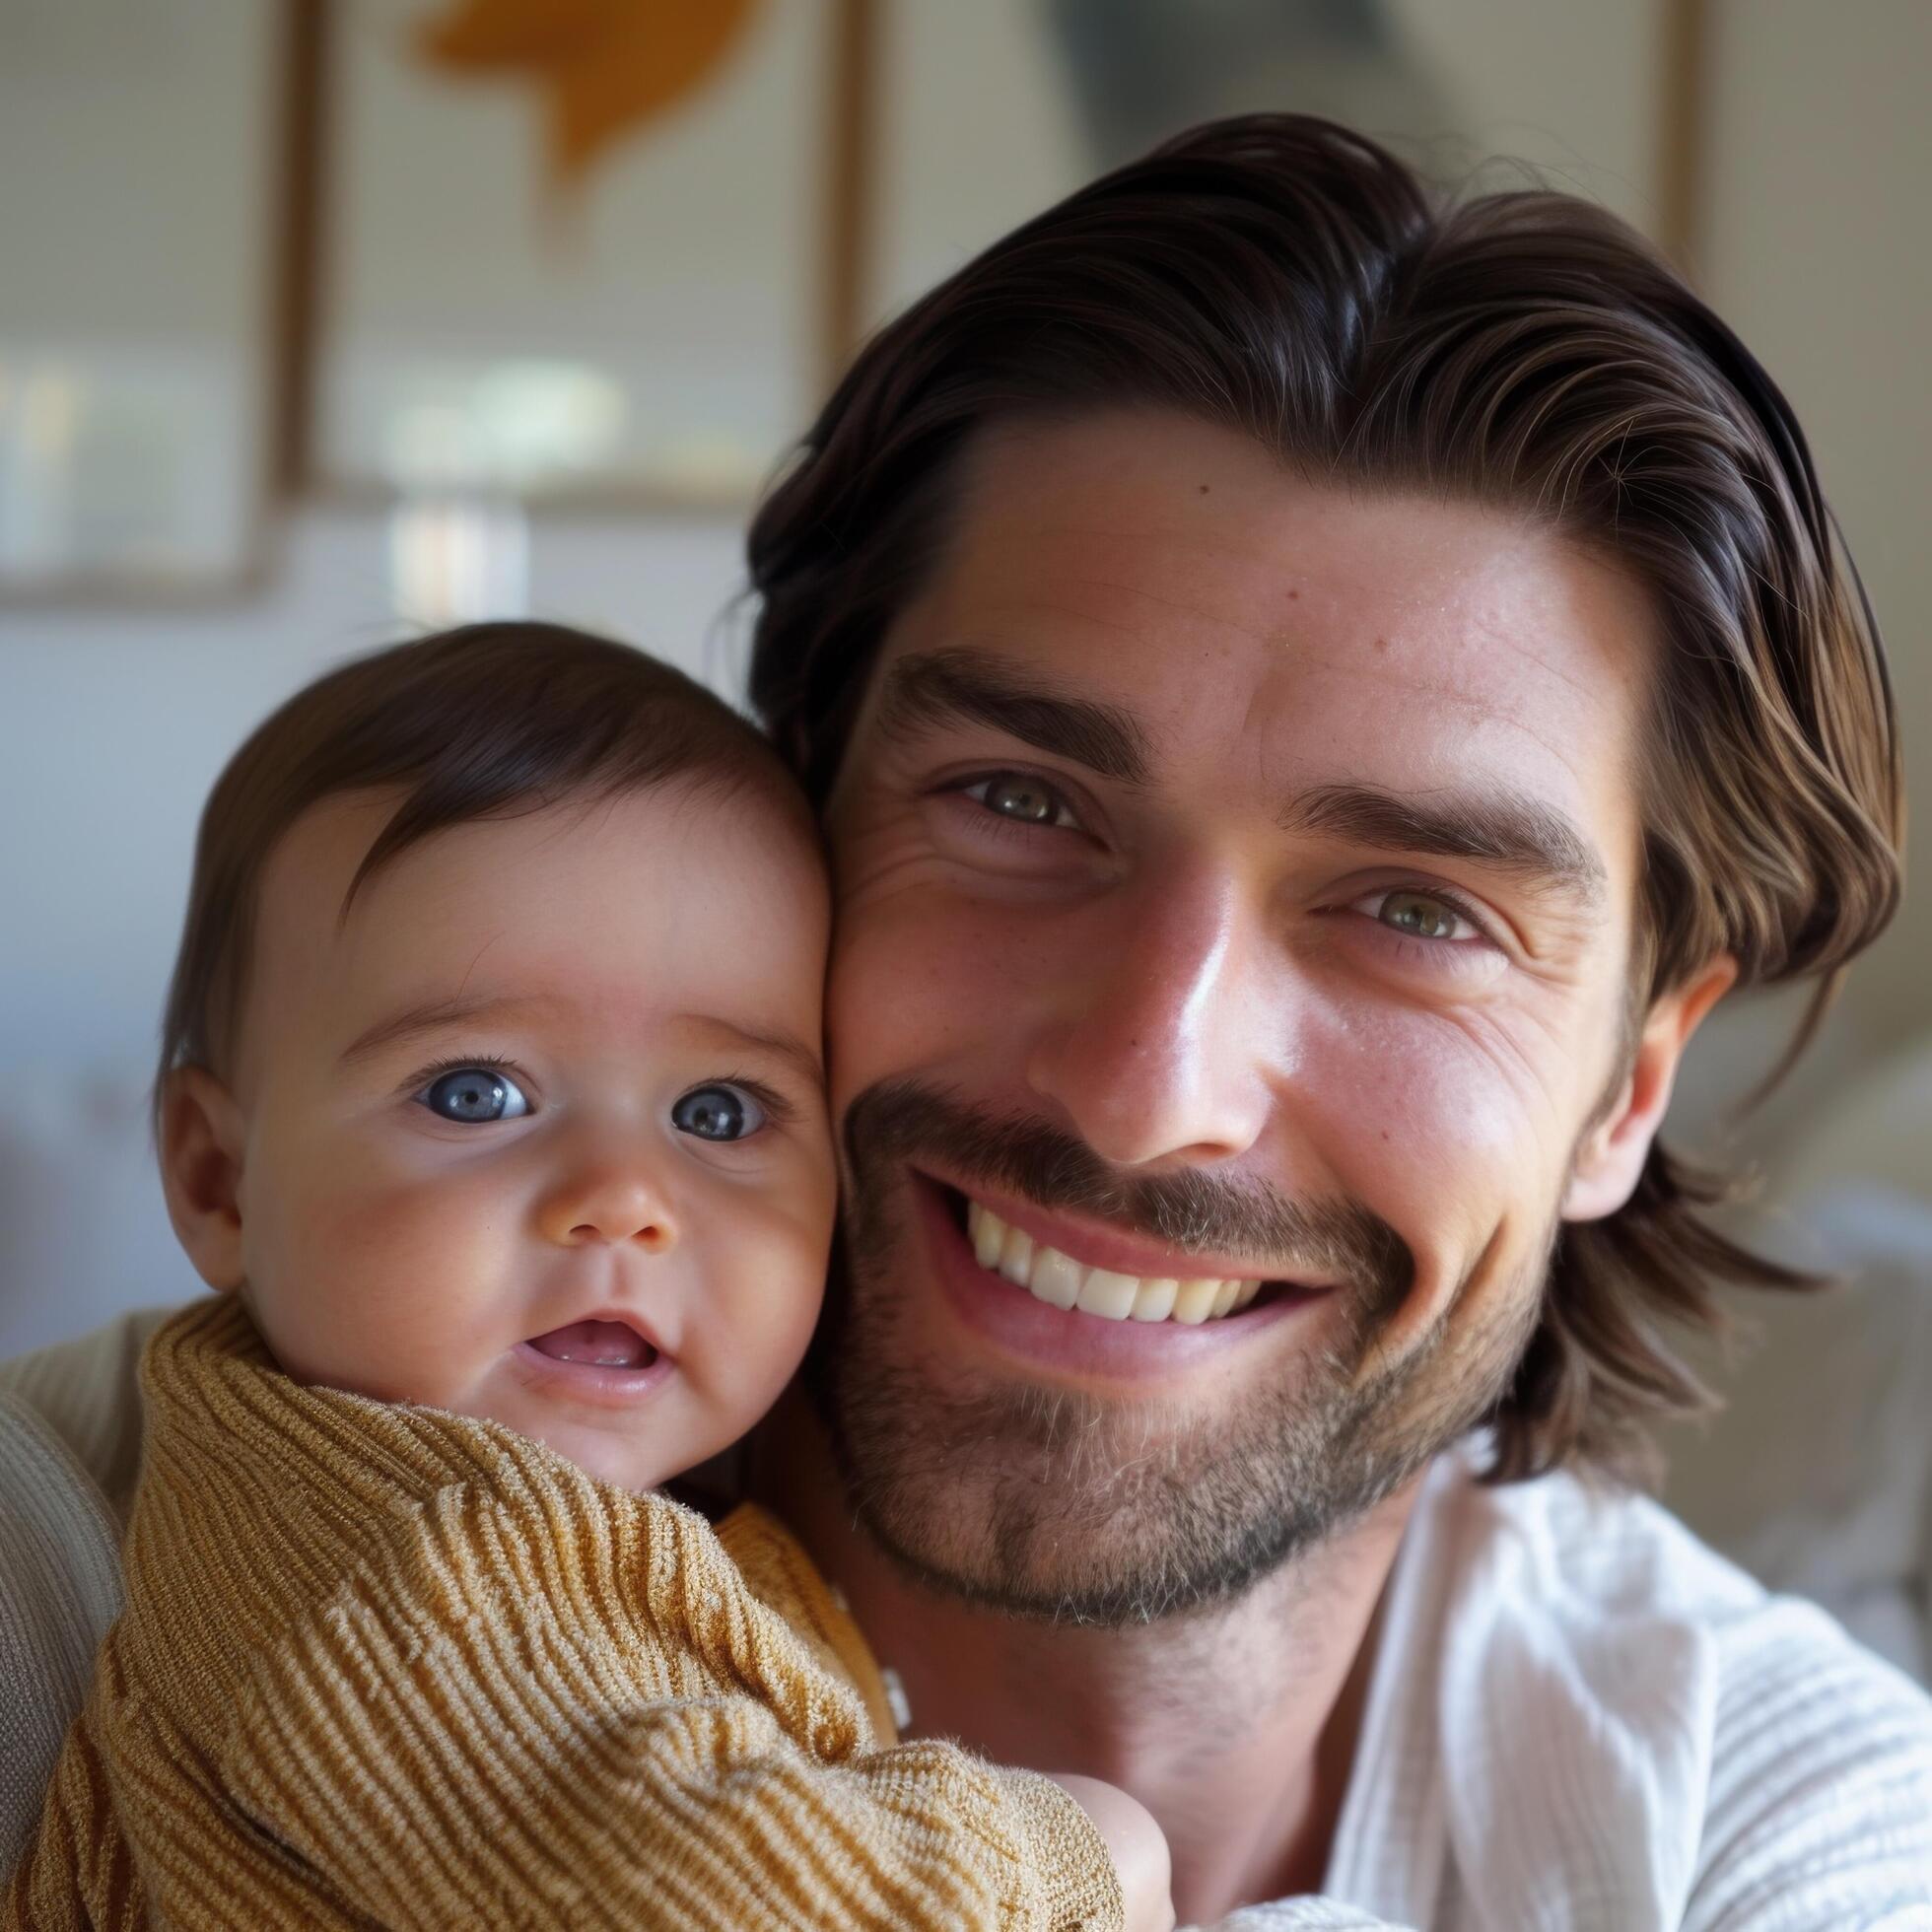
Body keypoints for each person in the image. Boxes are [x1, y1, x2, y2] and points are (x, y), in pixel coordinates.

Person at [5, 113, 1931, 1927]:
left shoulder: (1770, 1826)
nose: (1142, 1084)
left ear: (1626, 1084)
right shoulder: (73, 1564)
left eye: (1416, 909)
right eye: (1018, 801)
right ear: (796, 810)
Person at [5, 624, 1163, 1930]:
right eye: (476, 1092)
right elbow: (706, 1901)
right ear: (219, 1181)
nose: (624, 1199)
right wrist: (1080, 1853)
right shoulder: (400, 1556)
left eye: (720, 1114)